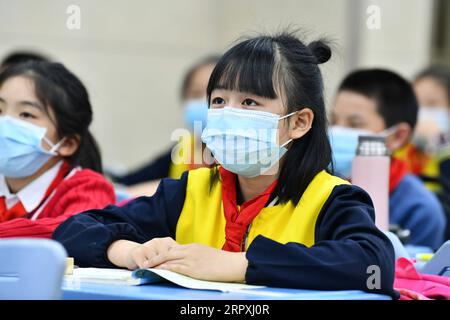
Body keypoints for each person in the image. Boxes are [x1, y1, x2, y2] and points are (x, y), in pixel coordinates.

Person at [53, 32, 396, 297]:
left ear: (300, 122)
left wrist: (238, 264)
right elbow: (73, 231)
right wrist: (131, 252)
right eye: (219, 101)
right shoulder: (190, 191)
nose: (229, 114)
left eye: (249, 101)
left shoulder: (333, 199)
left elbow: (371, 262)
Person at [329, 68, 446, 249]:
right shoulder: (315, 184)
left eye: (355, 124)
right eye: (334, 121)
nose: (337, 131)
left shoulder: (419, 209)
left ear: (398, 136)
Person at [0, 61, 115, 238]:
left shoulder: (88, 188)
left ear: (67, 143)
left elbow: (74, 230)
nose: (5, 122)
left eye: (26, 114)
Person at [111, 56, 219, 197]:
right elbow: (128, 181)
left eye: (215, 96)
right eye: (196, 93)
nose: (204, 102)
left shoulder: (238, 158)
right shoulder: (184, 149)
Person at [411, 66, 450, 239]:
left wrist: (440, 141)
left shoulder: (444, 151)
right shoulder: (405, 149)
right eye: (416, 104)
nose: (422, 112)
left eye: (432, 104)